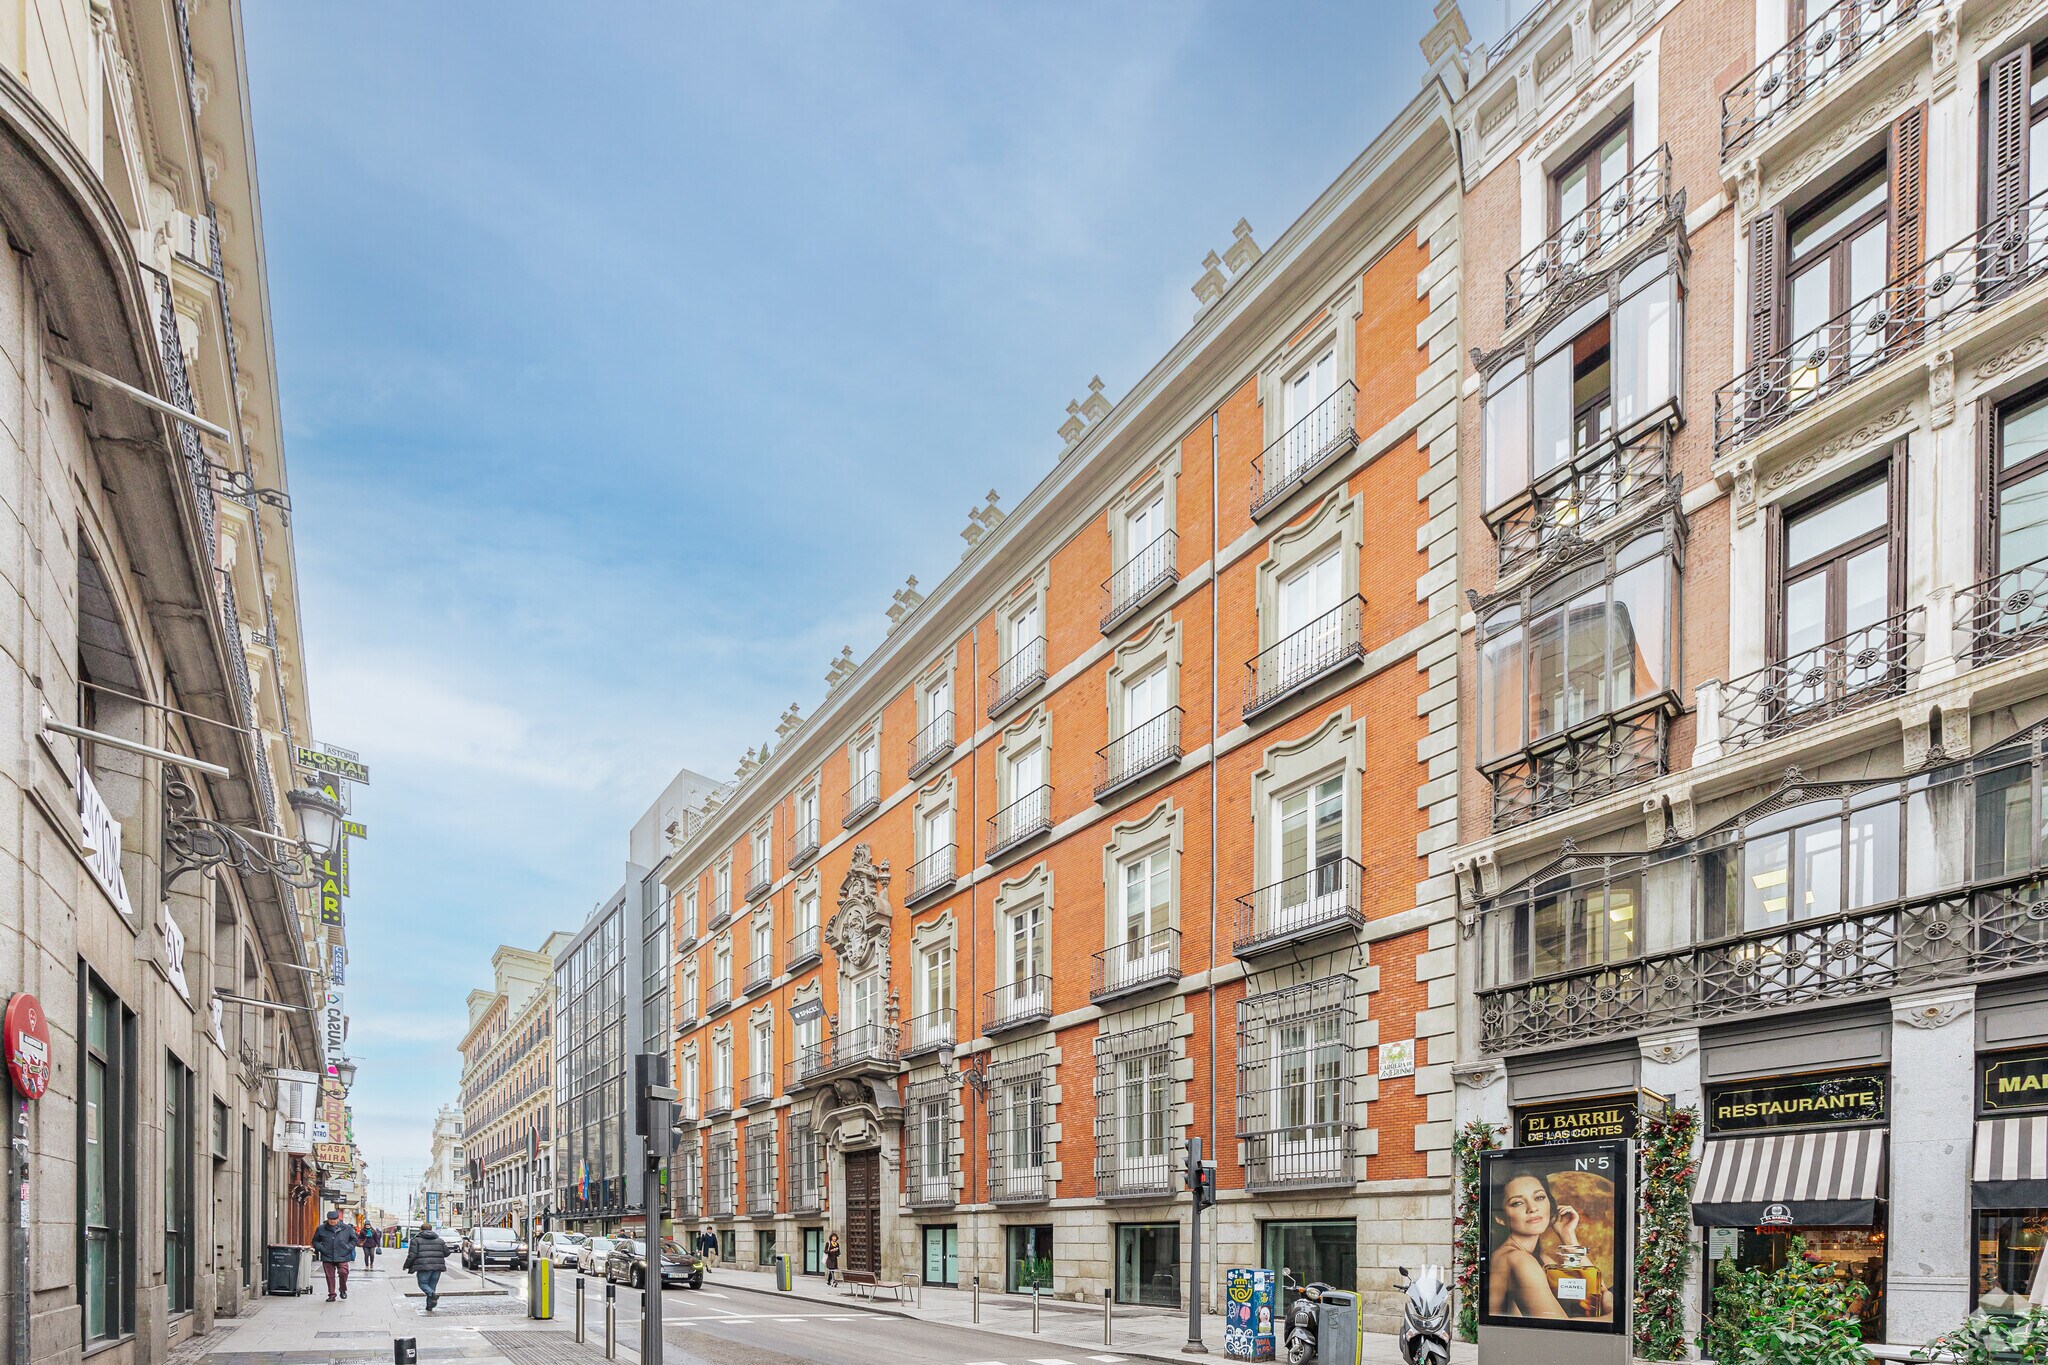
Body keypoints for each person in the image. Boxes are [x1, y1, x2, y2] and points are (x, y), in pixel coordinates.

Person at [1486, 1171, 1613, 1321]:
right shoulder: (1518, 1259)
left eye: (1539, 1197)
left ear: (1550, 1204)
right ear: (1500, 1218)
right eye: (1517, 1203)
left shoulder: (1539, 1258)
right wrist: (1612, 1317)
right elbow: (1562, 1329)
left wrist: (1568, 1236)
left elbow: (1596, 1290)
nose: (1532, 1208)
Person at [312, 1208, 360, 1301]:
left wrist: (348, 1248)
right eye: (330, 1220)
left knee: (343, 1272)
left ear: (338, 1219)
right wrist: (322, 1249)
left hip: (343, 1255)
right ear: (327, 1219)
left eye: (334, 1219)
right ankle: (332, 1294)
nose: (332, 1221)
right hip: (327, 1255)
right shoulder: (321, 1229)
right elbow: (315, 1241)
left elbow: (354, 1240)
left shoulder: (347, 1228)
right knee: (330, 1276)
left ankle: (342, 1289)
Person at [404, 1224, 451, 1313]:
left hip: (423, 1266)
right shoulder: (440, 1241)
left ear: (421, 1230)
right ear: (431, 1230)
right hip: (438, 1266)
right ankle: (429, 1306)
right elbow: (447, 1253)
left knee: (423, 1284)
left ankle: (432, 1295)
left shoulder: (416, 1240)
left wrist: (407, 1265)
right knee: (432, 1286)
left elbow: (412, 1255)